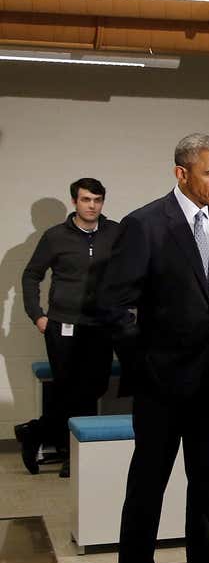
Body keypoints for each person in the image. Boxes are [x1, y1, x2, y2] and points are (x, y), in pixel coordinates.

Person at [98, 133, 209, 563]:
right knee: (147, 491)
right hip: (163, 384)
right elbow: (114, 306)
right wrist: (144, 367)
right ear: (181, 174)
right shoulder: (145, 224)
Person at [16, 178, 120, 478]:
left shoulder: (115, 233)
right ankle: (74, 456)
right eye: (86, 200)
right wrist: (37, 315)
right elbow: (31, 275)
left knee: (94, 388)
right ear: (75, 202)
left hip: (101, 324)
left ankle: (34, 431)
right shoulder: (55, 237)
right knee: (70, 389)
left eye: (97, 200)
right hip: (63, 325)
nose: (92, 206)